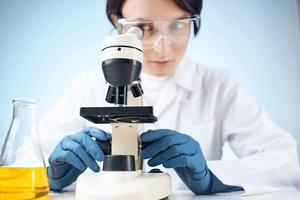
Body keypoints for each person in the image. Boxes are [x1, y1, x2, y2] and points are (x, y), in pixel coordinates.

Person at [40, 0, 300, 195]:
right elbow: (23, 160)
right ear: (116, 22)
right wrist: (50, 175)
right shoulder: (86, 86)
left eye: (178, 25)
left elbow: (286, 162)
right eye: (142, 28)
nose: (163, 46)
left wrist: (210, 177)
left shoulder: (220, 85)